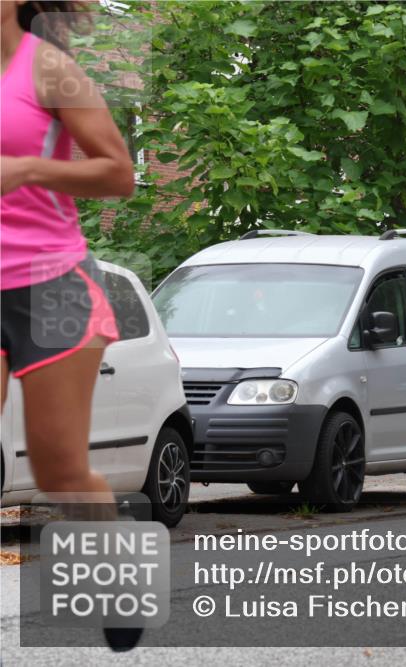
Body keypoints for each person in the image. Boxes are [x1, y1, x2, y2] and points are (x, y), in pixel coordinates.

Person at [1, 0, 137, 650]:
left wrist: (27, 168)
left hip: (53, 283)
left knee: (59, 470)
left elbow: (119, 173)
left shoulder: (50, 72)